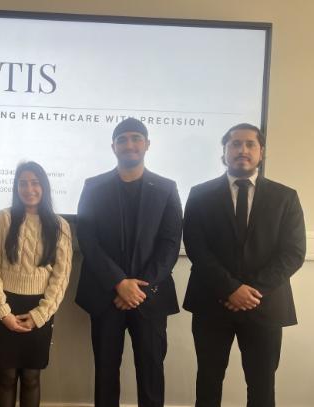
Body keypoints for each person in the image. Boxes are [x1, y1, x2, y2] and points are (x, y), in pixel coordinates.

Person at [183, 123, 306, 407]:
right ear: (224, 152)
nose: (243, 150)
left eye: (250, 144)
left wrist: (249, 291)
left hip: (265, 305)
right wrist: (230, 289)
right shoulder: (200, 194)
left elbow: (293, 252)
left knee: (262, 385)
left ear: (261, 152)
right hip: (212, 304)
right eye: (235, 144)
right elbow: (197, 248)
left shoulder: (285, 197)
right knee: (209, 381)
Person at [76, 118, 182, 407]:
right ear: (113, 147)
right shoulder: (93, 186)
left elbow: (170, 244)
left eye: (136, 138)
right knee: (105, 372)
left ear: (147, 145)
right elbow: (88, 239)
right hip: (105, 295)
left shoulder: (166, 188)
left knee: (151, 372)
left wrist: (138, 289)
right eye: (122, 139)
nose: (130, 144)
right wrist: (119, 283)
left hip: (150, 298)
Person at [0, 161, 73, 407]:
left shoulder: (59, 226)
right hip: (4, 304)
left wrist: (40, 314)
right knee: (7, 376)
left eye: (35, 183)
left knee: (32, 377)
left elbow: (61, 276)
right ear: (16, 187)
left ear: (44, 186)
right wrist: (2, 312)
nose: (29, 189)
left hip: (40, 307)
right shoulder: (2, 219)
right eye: (23, 183)